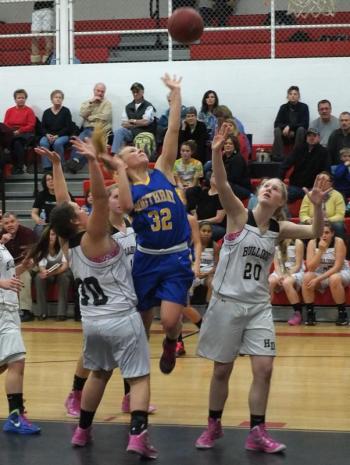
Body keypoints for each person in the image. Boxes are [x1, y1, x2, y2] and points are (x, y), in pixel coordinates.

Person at [195, 122, 328, 453]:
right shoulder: (239, 215)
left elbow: (314, 232)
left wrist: (318, 203)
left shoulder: (280, 228)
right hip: (226, 303)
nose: (270, 188)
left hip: (257, 307)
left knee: (265, 369)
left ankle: (257, 431)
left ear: (282, 200)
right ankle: (213, 425)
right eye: (266, 185)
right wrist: (215, 149)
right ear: (257, 193)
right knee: (222, 371)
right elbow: (223, 182)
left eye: (276, 187)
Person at [35, 135, 157, 458]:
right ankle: (137, 436)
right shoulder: (96, 236)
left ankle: (82, 431)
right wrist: (93, 162)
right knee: (140, 378)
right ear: (78, 221)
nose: (83, 207)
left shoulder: (67, 241)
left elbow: (62, 203)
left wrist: (58, 165)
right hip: (121, 317)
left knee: (100, 374)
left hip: (92, 323)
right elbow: (101, 201)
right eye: (80, 209)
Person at [102, 74, 194, 376]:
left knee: (169, 321)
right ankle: (135, 381)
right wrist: (116, 169)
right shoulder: (127, 186)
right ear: (124, 165)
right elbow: (126, 206)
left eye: (140, 148)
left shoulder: (163, 170)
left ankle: (171, 341)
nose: (140, 150)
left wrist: (176, 95)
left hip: (176, 255)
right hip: (146, 258)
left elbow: (173, 129)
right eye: (131, 151)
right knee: (140, 324)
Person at [0, 230, 41, 435]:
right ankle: (15, 416)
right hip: (1, 310)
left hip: (8, 308)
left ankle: (16, 414)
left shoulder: (1, 244)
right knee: (17, 360)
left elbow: (6, 274)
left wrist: (21, 268)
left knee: (7, 363)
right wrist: (2, 283)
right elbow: (2, 280)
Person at [302, 222, 350, 326]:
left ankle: (342, 313)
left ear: (332, 233)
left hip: (341, 272)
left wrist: (317, 280)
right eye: (321, 233)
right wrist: (320, 251)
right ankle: (310, 313)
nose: (324, 235)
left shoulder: (339, 242)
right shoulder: (312, 243)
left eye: (327, 232)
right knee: (306, 277)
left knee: (334, 278)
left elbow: (337, 267)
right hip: (320, 273)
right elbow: (310, 267)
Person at [28, 226, 73, 321]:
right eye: (48, 235)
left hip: (63, 271)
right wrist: (43, 272)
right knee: (39, 278)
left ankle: (61, 313)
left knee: (64, 277)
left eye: (53, 234)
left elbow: (65, 266)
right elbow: (41, 266)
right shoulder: (42, 248)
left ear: (57, 236)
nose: (50, 237)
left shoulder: (64, 245)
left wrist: (50, 274)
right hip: (49, 272)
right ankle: (42, 312)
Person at [66, 83, 112, 173]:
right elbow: (82, 114)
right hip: (87, 129)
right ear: (94, 90)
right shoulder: (87, 102)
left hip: (101, 130)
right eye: (98, 91)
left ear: (104, 93)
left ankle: (73, 161)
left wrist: (90, 117)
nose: (100, 93)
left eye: (102, 91)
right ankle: (75, 164)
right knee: (78, 140)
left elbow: (104, 117)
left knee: (84, 139)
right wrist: (91, 103)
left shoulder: (107, 104)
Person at [0, 213, 36, 322]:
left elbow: (34, 255)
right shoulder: (1, 235)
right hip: (10, 267)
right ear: (2, 225)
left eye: (12, 221)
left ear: (17, 222)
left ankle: (26, 310)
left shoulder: (28, 233)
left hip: (31, 264)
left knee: (22, 274)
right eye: (6, 223)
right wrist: (1, 242)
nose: (10, 225)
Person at [279, 127, 330, 203]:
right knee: (281, 195)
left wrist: (320, 186)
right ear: (306, 137)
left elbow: (326, 171)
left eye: (314, 136)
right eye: (309, 135)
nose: (311, 138)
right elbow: (285, 165)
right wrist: (280, 182)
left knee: (327, 197)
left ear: (319, 138)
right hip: (296, 187)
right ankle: (284, 215)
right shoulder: (298, 149)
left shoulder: (324, 152)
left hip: (314, 188)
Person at [111, 82, 156, 156]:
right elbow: (124, 124)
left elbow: (146, 122)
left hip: (144, 133)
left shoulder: (148, 106)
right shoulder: (128, 107)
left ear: (142, 92)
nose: (135, 94)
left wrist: (133, 121)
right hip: (131, 133)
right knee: (119, 131)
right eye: (133, 92)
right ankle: (115, 155)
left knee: (142, 138)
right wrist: (138, 123)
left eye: (137, 91)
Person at [268, 239, 305, 326]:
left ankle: (298, 313)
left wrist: (285, 276)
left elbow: (298, 265)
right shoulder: (275, 243)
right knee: (270, 281)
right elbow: (276, 265)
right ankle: (266, 312)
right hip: (280, 272)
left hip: (296, 272)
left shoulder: (298, 243)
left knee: (286, 282)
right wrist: (280, 275)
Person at [299, 171, 345, 238]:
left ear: (331, 183)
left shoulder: (337, 195)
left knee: (339, 225)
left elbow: (340, 215)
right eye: (319, 179)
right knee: (301, 225)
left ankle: (339, 246)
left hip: (330, 222)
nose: (321, 182)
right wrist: (308, 220)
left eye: (325, 180)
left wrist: (328, 220)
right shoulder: (309, 195)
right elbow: (303, 214)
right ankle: (302, 247)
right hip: (312, 222)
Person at [271, 85, 309, 161]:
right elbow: (276, 123)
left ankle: (296, 155)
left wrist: (290, 127)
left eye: (295, 94)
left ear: (299, 96)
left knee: (301, 129)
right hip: (285, 135)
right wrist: (287, 128)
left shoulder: (304, 107)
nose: (293, 96)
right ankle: (279, 156)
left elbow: (305, 124)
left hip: (299, 136)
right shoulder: (283, 107)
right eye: (290, 94)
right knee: (277, 130)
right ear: (287, 96)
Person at [31, 172, 74, 238]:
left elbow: (73, 210)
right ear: (45, 183)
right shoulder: (41, 195)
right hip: (45, 224)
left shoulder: (65, 194)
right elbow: (34, 213)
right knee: (39, 230)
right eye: (48, 180)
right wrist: (39, 221)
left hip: (61, 223)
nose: (51, 181)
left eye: (53, 179)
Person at [3, 89, 36, 174]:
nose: (21, 99)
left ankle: (19, 167)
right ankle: (8, 166)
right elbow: (5, 124)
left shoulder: (29, 111)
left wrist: (19, 131)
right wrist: (11, 132)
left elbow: (31, 125)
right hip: (12, 132)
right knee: (10, 141)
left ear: (25, 99)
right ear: (15, 99)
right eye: (19, 98)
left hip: (25, 133)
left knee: (17, 143)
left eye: (23, 98)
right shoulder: (9, 111)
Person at [39, 90, 73, 171]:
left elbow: (68, 127)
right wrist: (47, 135)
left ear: (62, 99)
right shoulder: (46, 112)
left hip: (62, 135)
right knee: (43, 142)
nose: (58, 99)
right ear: (52, 99)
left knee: (57, 143)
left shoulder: (66, 111)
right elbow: (42, 127)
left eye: (60, 97)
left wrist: (57, 136)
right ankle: (47, 167)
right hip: (49, 135)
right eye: (56, 97)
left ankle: (60, 165)